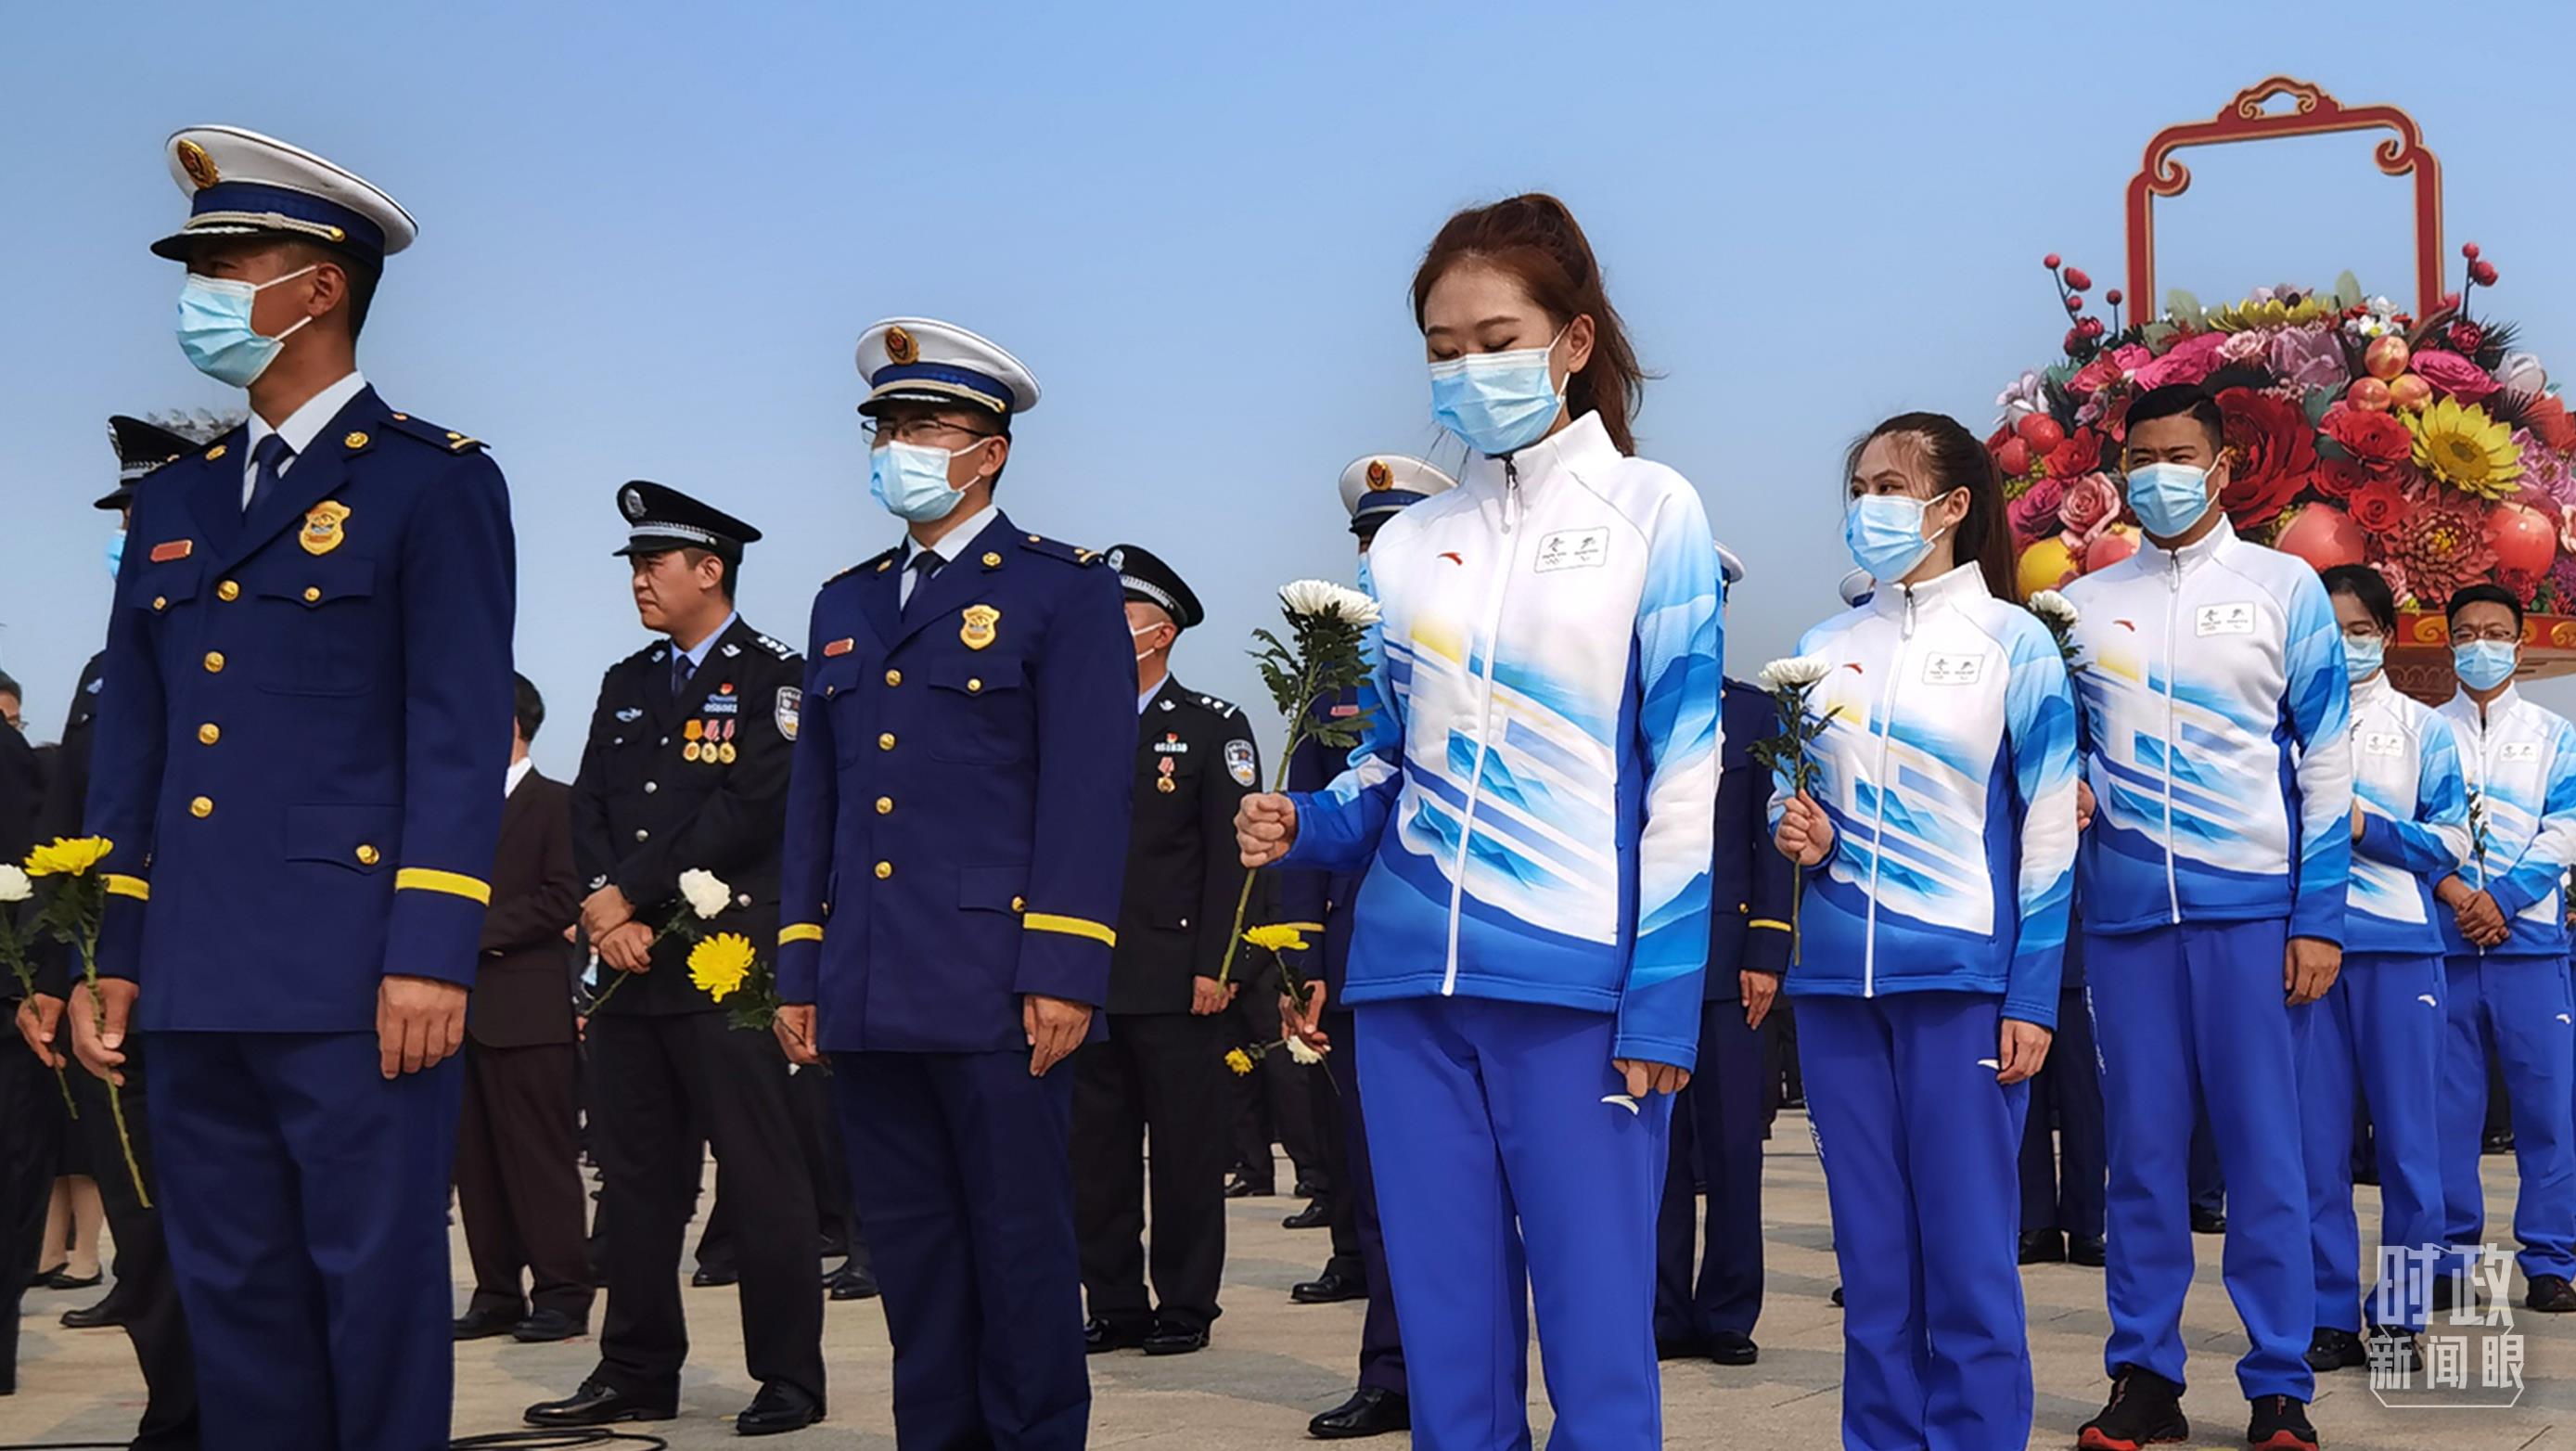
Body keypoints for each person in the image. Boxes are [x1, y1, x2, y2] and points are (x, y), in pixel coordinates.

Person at [1237, 194, 1722, 1448]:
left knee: (1596, 1335)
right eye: (1442, 350)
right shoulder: (1407, 547)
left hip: (1574, 986)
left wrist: (1662, 997)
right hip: (1406, 988)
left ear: (1571, 341)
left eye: (1495, 341)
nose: (1466, 370)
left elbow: (1684, 770)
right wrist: (1304, 821)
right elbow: (1387, 765)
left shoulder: (1651, 511)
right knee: (1448, 1339)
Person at [70, 125, 515, 1451]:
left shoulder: (431, 481)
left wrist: (429, 951)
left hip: (354, 972)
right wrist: (114, 951)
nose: (197, 294)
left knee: (370, 1290)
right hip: (193, 971)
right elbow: (135, 751)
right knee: (235, 1296)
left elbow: (456, 731)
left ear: (318, 287)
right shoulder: (175, 504)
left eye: (224, 265)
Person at [773, 317, 1134, 1451]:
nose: (898, 449)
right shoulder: (844, 603)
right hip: (870, 985)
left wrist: (1063, 966)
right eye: (885, 428)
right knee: (915, 1260)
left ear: (990, 451)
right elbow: (816, 802)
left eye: (924, 428)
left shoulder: (1062, 590)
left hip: (997, 984)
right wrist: (800, 966)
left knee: (1020, 1255)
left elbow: (1085, 794)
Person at [1771, 411, 2075, 1448]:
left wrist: (2030, 994)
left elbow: (2048, 829)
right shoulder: (1820, 649)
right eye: (1859, 488)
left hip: (1960, 987)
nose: (1869, 506)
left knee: (1966, 1258)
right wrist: (1800, 831)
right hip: (1835, 989)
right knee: (1870, 1262)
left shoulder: (2013, 644)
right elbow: (1789, 800)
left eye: (1890, 486)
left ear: (1950, 506)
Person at [2059, 383, 2350, 1451]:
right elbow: (2061, 748)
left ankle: (2277, 1383)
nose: (2157, 475)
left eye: (2178, 456)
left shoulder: (2282, 588)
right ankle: (2144, 1375)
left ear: (2222, 466)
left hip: (2254, 919)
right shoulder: (2082, 605)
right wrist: (2068, 785)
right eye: (2139, 458)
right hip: (2127, 922)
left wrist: (2317, 915)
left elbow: (2325, 754)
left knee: (2266, 1155)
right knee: (2138, 1156)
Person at [531, 482, 824, 1435]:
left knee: (761, 1177)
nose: (639, 581)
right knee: (635, 1184)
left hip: (724, 966)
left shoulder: (775, 679)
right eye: (634, 567)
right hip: (628, 971)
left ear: (709, 569)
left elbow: (750, 807)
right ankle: (635, 1369)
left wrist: (630, 894)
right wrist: (600, 907)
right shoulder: (627, 681)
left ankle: (788, 1375)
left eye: (653, 564)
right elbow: (588, 805)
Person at [11, 415, 201, 1444]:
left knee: (221, 1221)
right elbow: (64, 835)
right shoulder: (103, 667)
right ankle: (177, 1416)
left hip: (207, 973)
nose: (127, 536)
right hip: (101, 990)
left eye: (143, 515)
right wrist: (46, 973)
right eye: (123, 519)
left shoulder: (236, 649)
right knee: (142, 1219)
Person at [1274, 453, 1454, 1441]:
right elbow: (1305, 823)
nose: (1377, 556)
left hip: (1484, 945)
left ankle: (1479, 1373)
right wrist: (1302, 963)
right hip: (1363, 961)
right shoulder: (1334, 682)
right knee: (1385, 1186)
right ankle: (1395, 1370)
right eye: (1367, 541)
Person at [1074, 544, 1258, 1358]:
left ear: (1161, 632)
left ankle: (1185, 1304)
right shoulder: (1069, 719)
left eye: (1119, 616)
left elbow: (1232, 861)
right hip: (1084, 977)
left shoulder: (1211, 726)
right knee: (1095, 1155)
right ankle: (1113, 1301)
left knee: (1184, 1154)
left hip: (1178, 979)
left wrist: (1219, 964)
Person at [2291, 564, 2466, 1373]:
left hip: (2399, 951)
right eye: (2327, 631)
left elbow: (2452, 842)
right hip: (2305, 954)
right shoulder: (2280, 724)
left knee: (2407, 1147)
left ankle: (2399, 1316)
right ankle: (2326, 1315)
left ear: (2386, 636)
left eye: (2357, 630)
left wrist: (2368, 826)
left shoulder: (2423, 729)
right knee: (2313, 1148)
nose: (2343, 644)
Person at [1655, 541, 1792, 1369]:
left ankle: (1729, 1311)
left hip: (1728, 959)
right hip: (1646, 964)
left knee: (1736, 1145)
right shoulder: (1630, 708)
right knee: (1655, 1148)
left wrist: (1767, 947)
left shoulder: (1753, 715)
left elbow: (1770, 840)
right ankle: (1662, 1311)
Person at [2433, 583, 2576, 1315]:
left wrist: (2507, 899)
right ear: (2448, 643)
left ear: (2518, 646)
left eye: (2493, 633)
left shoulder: (2557, 736)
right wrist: (2461, 898)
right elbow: (2413, 830)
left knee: (2547, 1112)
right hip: (2446, 950)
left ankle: (2550, 1261)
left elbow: (2565, 827)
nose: (2479, 645)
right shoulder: (2425, 733)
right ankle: (2447, 1257)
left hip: (2531, 952)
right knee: (2443, 1116)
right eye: (2465, 633)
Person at [452, 673, 594, 1345]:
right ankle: (496, 1292)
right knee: (475, 1165)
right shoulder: (452, 811)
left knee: (540, 1159)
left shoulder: (557, 804)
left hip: (528, 1008)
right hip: (457, 1013)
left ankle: (563, 1292)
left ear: (511, 723)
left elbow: (563, 896)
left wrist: (466, 932)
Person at [2019, 918, 2107, 1268]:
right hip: (2019, 967)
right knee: (2024, 1101)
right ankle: (2035, 1223)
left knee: (2086, 1104)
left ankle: (2086, 1225)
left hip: (2081, 965)